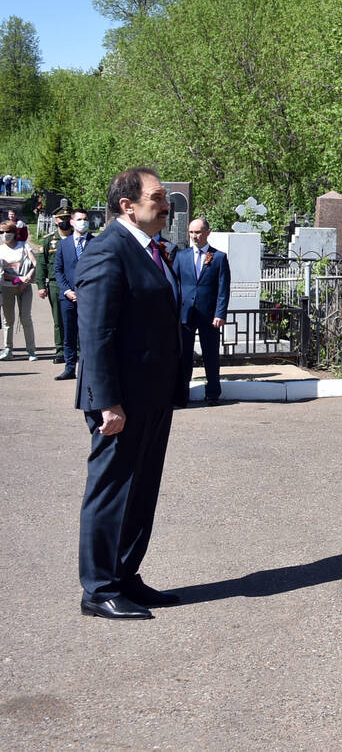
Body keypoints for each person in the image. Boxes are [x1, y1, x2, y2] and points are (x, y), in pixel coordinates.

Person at [76, 167, 186, 619]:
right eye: (158, 197)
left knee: (141, 491)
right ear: (128, 205)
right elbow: (95, 333)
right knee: (112, 491)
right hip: (120, 400)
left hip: (153, 396)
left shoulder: (153, 250)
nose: (167, 205)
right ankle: (98, 588)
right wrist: (106, 401)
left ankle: (125, 576)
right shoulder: (108, 251)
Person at [177, 217, 231, 406]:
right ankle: (182, 394)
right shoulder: (181, 256)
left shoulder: (219, 257)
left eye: (198, 232)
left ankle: (213, 393)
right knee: (183, 356)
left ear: (207, 232)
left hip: (209, 316)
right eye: (191, 232)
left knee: (210, 355)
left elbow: (223, 289)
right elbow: (176, 285)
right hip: (186, 314)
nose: (194, 236)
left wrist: (220, 314)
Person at [54, 208, 93, 380]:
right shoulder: (64, 244)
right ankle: (70, 367)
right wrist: (67, 290)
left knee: (87, 334)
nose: (82, 222)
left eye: (85, 219)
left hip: (89, 297)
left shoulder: (95, 243)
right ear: (71, 222)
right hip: (68, 297)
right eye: (79, 219)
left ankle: (88, 369)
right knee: (69, 334)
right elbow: (58, 270)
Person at [1, 220, 40, 360]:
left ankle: (31, 350)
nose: (5, 235)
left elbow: (35, 264)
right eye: (2, 232)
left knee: (25, 318)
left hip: (25, 288)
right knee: (8, 320)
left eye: (8, 232)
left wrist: (27, 279)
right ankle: (8, 349)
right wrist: (18, 280)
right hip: (7, 287)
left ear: (14, 233)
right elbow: (2, 273)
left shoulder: (23, 246)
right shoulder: (1, 250)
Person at [40, 210, 70, 362]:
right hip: (55, 284)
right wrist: (41, 285)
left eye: (67, 218)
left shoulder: (76, 238)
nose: (64, 221)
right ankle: (60, 351)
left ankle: (76, 350)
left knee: (76, 318)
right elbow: (42, 264)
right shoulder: (49, 240)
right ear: (55, 220)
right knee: (59, 320)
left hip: (74, 283)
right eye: (61, 218)